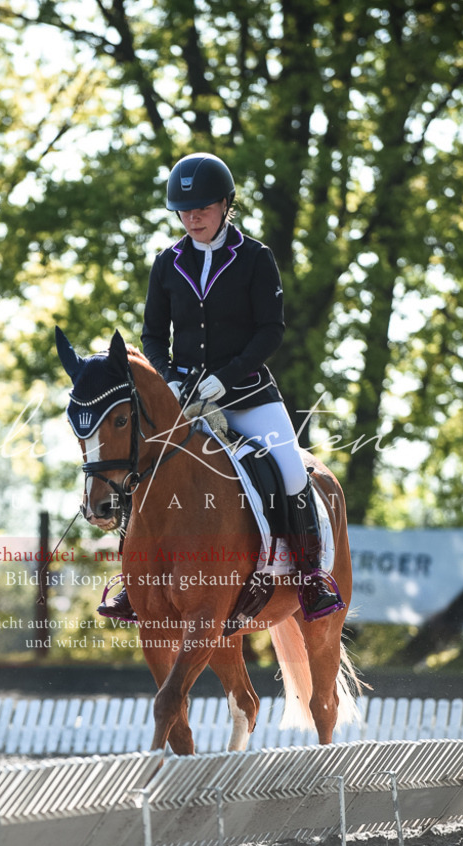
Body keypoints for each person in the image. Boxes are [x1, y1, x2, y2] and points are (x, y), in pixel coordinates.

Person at [98, 152, 344, 623]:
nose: (193, 217)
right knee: (141, 466)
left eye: (204, 207)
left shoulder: (255, 258)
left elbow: (270, 330)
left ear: (226, 204)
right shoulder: (166, 264)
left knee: (292, 471)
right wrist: (167, 375)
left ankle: (310, 576)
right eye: (185, 210)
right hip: (185, 398)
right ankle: (136, 581)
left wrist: (226, 377)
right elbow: (153, 333)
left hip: (248, 394)